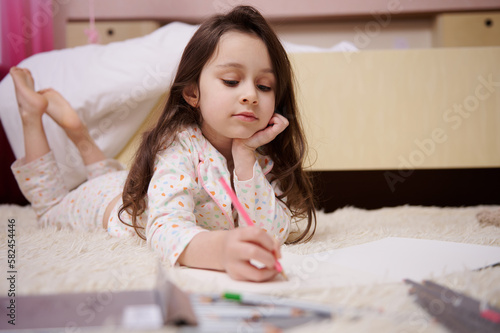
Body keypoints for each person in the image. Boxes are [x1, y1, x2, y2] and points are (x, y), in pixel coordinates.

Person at [11, 5, 316, 282]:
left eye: (264, 86)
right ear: (192, 93)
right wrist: (220, 250)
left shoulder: (260, 155)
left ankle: (78, 133)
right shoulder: (177, 147)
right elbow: (166, 228)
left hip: (131, 183)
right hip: (108, 201)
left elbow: (273, 233)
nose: (251, 94)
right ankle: (32, 115)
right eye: (232, 81)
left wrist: (246, 156)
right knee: (49, 210)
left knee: (108, 174)